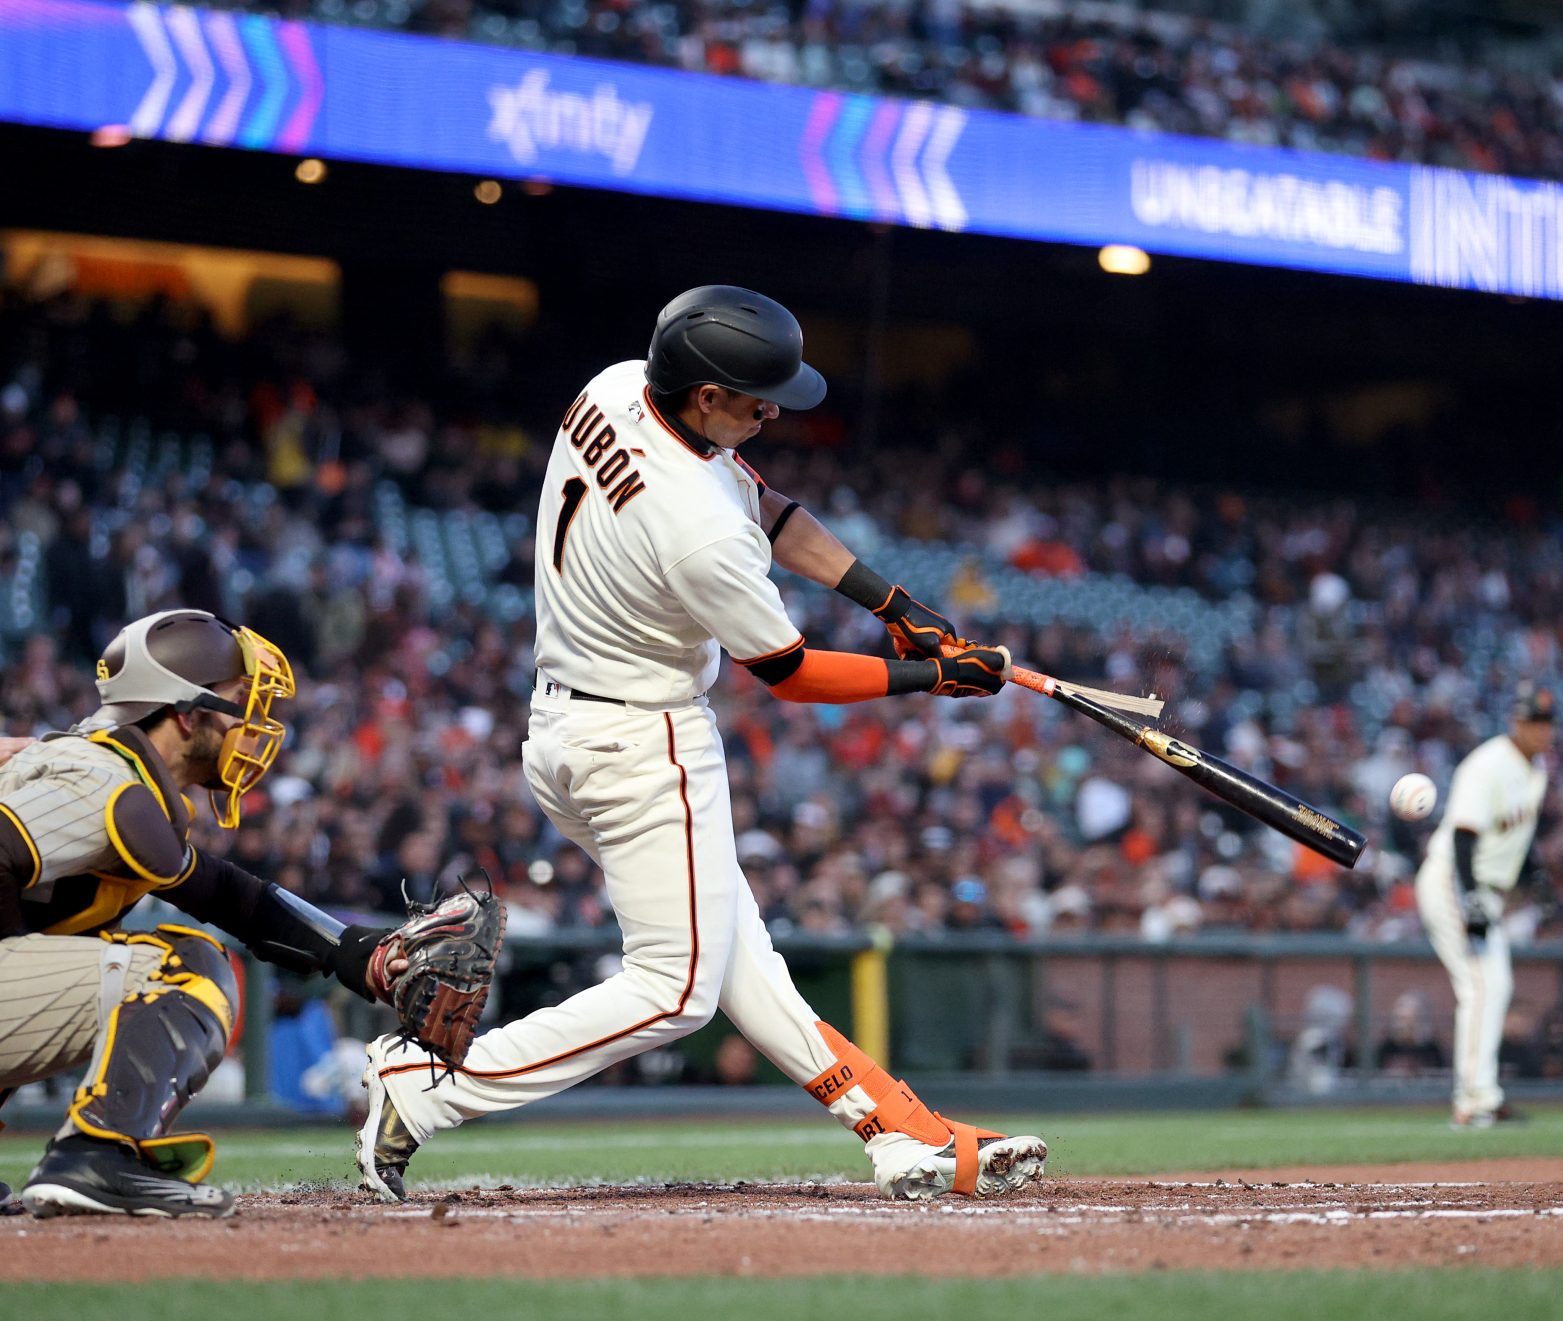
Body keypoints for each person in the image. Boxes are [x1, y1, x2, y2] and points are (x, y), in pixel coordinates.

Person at [359, 286, 1048, 1202]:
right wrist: (934, 678)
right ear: (702, 392)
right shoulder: (697, 531)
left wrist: (894, 605)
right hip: (644, 741)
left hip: (567, 727)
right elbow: (792, 672)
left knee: (734, 956)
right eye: (753, 396)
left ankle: (896, 1131)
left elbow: (770, 506)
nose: (772, 410)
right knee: (678, 988)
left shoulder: (615, 387)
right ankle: (433, 1086)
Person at [0, 610, 407, 1217]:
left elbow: (224, 894)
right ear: (186, 715)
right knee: (183, 968)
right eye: (239, 701)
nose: (255, 723)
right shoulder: (97, 775)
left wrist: (351, 950)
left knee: (107, 950)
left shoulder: (124, 781)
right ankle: (99, 1155)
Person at [1415, 681, 1553, 1129]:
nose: (1542, 730)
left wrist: (1535, 876)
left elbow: (1516, 838)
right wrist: (1472, 895)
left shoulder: (1537, 770)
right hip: (1453, 880)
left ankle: (1483, 1096)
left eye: (1547, 722)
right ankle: (1473, 1101)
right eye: (1534, 721)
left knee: (1496, 984)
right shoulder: (1489, 764)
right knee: (1480, 985)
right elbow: (1463, 833)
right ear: (1516, 722)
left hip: (1483, 889)